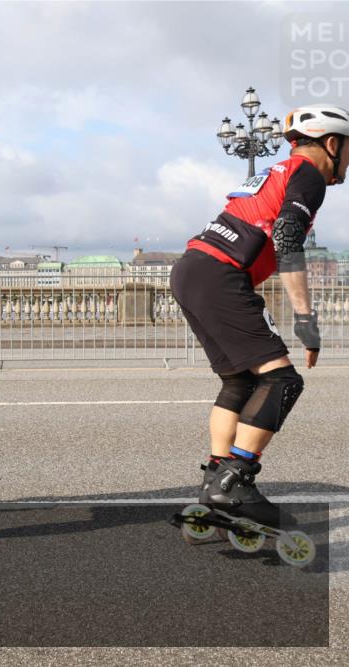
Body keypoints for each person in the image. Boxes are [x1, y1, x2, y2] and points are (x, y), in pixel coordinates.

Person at [170, 104, 349, 527]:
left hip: (192, 268)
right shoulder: (308, 173)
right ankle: (234, 482)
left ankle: (216, 476)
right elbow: (287, 234)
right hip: (219, 273)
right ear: (331, 143)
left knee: (239, 381)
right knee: (282, 381)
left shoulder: (277, 170)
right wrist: (305, 318)